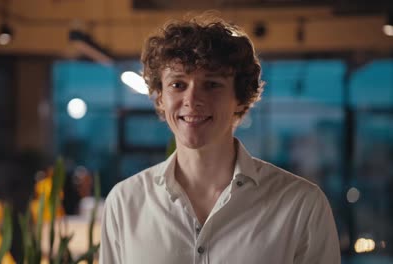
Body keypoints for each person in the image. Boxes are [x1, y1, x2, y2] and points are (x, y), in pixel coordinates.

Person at [100, 13, 340, 264]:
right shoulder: (125, 202)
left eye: (212, 84)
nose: (192, 100)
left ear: (240, 98)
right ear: (160, 97)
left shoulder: (302, 205)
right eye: (178, 85)